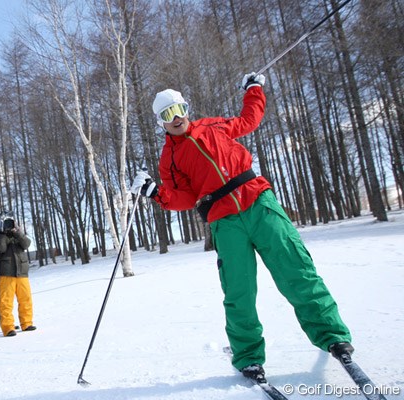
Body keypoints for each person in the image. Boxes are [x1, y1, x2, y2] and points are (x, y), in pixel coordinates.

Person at [130, 74, 353, 381]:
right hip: (224, 220)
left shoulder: (213, 125)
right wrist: (157, 193)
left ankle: (332, 336)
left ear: (187, 108)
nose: (177, 117)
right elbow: (184, 197)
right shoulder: (169, 158)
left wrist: (254, 89)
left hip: (258, 201)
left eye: (179, 109)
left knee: (297, 269)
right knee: (239, 290)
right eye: (168, 114)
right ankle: (248, 356)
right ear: (160, 123)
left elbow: (250, 119)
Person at [0, 214, 35, 337]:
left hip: (22, 272)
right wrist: (1, 233)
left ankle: (26, 323)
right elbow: (0, 248)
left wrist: (17, 232)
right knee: (5, 301)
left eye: (11, 223)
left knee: (26, 299)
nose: (9, 226)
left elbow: (27, 244)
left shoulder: (18, 235)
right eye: (6, 223)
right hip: (7, 272)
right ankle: (8, 327)